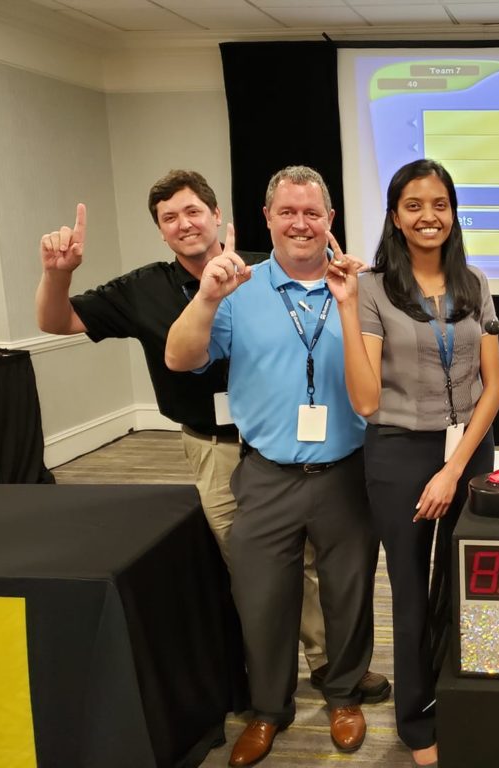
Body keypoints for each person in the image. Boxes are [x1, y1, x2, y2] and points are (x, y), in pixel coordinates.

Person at [33, 171, 375, 698]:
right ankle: (262, 689)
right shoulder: (174, 287)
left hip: (319, 453)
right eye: (169, 218)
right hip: (225, 448)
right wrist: (60, 275)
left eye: (193, 211)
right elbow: (78, 327)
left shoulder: (303, 275)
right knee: (256, 576)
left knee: (327, 577)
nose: (184, 224)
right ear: (160, 231)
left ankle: (332, 670)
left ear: (220, 217)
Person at [165, 165, 382, 767]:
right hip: (265, 473)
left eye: (312, 213)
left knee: (348, 595)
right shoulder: (236, 288)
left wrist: (354, 301)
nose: (301, 223)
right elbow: (181, 358)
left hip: (346, 473)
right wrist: (208, 295)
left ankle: (341, 694)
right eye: (287, 212)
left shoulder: (362, 290)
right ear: (267, 219)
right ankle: (268, 709)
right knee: (261, 600)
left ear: (330, 221)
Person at [327, 158, 499, 767]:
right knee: (408, 591)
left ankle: (459, 698)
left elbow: (494, 389)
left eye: (440, 205)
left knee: (463, 587)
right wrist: (347, 309)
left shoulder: (476, 283)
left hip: (467, 452)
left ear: (453, 214)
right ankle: (416, 722)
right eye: (414, 205)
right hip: (400, 452)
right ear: (396, 217)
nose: (429, 216)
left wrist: (454, 470)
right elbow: (367, 399)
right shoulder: (372, 287)